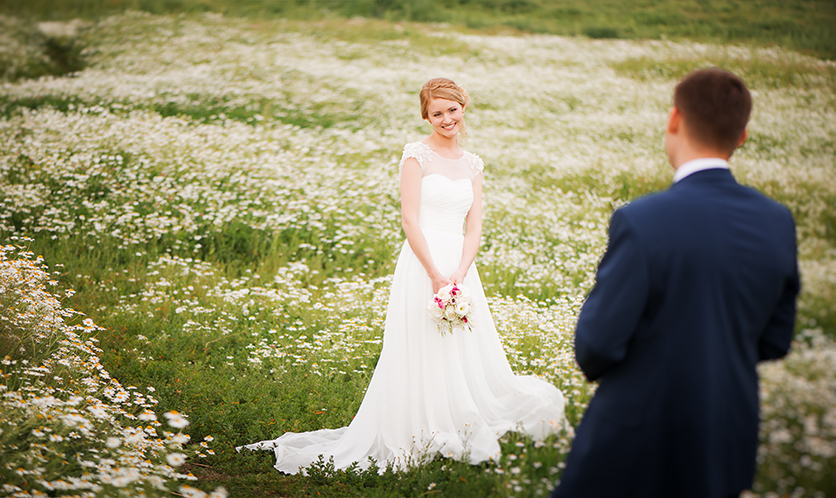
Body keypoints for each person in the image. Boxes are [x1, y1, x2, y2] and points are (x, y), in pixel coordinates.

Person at [239, 77, 565, 473]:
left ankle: (456, 414)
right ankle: (418, 420)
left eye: (452, 110)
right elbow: (409, 220)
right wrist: (434, 273)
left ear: (463, 109)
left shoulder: (473, 164)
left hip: (461, 267)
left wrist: (459, 272)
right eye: (437, 112)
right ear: (426, 116)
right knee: (421, 340)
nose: (446, 119)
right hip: (422, 261)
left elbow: (474, 226)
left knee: (461, 343)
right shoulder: (417, 156)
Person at [552, 68, 800, 498]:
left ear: (674, 119)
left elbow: (595, 347)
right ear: (741, 137)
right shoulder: (776, 220)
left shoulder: (643, 219)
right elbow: (775, 339)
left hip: (637, 435)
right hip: (725, 432)